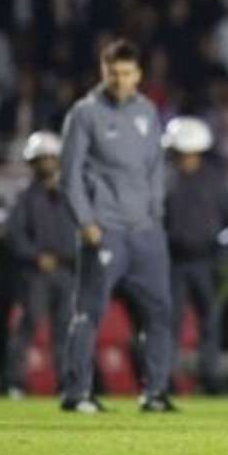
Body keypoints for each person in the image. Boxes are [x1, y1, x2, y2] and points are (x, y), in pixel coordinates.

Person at [59, 39, 175, 413]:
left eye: (126, 73)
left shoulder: (148, 112)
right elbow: (69, 177)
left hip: (146, 231)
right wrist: (86, 222)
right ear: (102, 72)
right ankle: (77, 393)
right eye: (113, 73)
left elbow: (155, 168)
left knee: (159, 313)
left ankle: (154, 393)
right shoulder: (85, 114)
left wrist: (156, 213)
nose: (119, 80)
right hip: (105, 228)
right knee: (89, 312)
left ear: (138, 75)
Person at [162, 116, 228, 395]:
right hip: (174, 260)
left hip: (207, 260)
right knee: (169, 321)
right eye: (180, 153)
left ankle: (210, 377)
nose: (184, 159)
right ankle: (164, 378)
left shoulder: (214, 181)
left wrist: (226, 249)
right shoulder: (164, 179)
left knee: (211, 319)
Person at [5, 131, 75, 398]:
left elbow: (79, 231)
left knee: (64, 329)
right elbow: (15, 234)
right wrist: (36, 256)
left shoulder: (70, 194)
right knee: (29, 325)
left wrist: (72, 257)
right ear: (32, 163)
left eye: (51, 158)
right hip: (36, 273)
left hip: (66, 270)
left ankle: (65, 384)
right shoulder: (23, 196)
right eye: (41, 158)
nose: (47, 163)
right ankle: (15, 383)